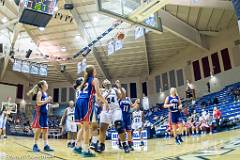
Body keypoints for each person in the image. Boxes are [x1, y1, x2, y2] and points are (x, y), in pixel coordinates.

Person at [73, 65, 108, 157]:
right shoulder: (94, 79)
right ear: (93, 71)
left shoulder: (85, 81)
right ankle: (85, 150)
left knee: (83, 127)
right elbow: (98, 94)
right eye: (95, 69)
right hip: (86, 102)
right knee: (87, 128)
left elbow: (93, 91)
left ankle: (77, 147)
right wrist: (106, 102)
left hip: (79, 102)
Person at [97, 79, 130, 153]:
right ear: (103, 84)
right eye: (104, 81)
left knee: (119, 126)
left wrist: (120, 87)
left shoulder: (114, 89)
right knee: (102, 128)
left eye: (107, 80)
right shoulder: (102, 91)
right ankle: (101, 144)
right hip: (106, 111)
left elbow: (123, 96)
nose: (106, 81)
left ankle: (125, 144)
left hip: (115, 109)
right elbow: (98, 103)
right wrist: (100, 99)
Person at [27, 80, 54, 152]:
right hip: (40, 113)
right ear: (42, 85)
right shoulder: (40, 93)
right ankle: (35, 145)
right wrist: (47, 100)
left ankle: (46, 145)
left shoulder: (45, 93)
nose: (47, 84)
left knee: (46, 130)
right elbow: (38, 103)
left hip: (45, 114)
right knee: (39, 130)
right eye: (46, 83)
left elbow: (44, 104)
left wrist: (50, 104)